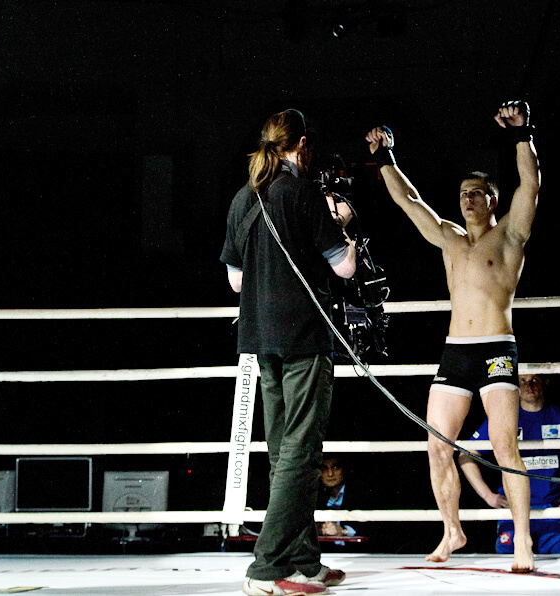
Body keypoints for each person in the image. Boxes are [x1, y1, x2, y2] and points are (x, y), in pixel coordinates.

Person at [365, 100, 540, 572]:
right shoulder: (449, 238)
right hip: (455, 352)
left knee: (504, 446)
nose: (468, 199)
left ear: (492, 200)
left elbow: (530, 185)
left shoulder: (510, 235)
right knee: (438, 445)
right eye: (463, 193)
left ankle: (523, 539)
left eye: (477, 193)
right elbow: (408, 201)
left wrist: (522, 133)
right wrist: (385, 158)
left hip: (496, 348)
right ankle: (452, 530)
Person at [220, 108, 357, 596]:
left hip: (260, 338)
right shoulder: (303, 193)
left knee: (283, 452)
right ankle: (266, 567)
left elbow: (236, 281)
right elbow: (344, 267)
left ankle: (303, 561)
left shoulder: (244, 197)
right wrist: (342, 224)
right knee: (301, 451)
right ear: (302, 144)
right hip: (303, 336)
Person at [458, 373, 560, 554]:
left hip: (555, 508)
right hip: (513, 508)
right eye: (523, 381)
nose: (529, 386)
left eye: (535, 379)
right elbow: (466, 455)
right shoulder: (503, 419)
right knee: (508, 564)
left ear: (545, 382)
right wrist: (488, 495)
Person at [316, 455, 359, 543]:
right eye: (324, 469)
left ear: (343, 469)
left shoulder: (359, 493)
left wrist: (344, 531)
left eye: (335, 468)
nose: (330, 474)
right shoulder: (315, 494)